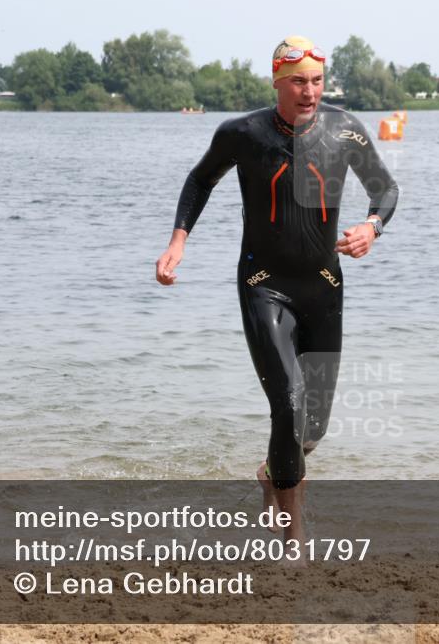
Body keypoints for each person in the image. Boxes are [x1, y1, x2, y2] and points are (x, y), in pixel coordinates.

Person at [155, 35, 399, 548]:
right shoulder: (244, 133)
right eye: (297, 82)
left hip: (324, 286)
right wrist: (179, 241)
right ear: (277, 83)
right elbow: (200, 181)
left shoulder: (345, 130)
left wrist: (373, 226)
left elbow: (385, 187)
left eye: (315, 81)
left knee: (312, 430)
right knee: (287, 404)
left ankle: (272, 474)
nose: (308, 92)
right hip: (264, 285)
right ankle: (292, 537)